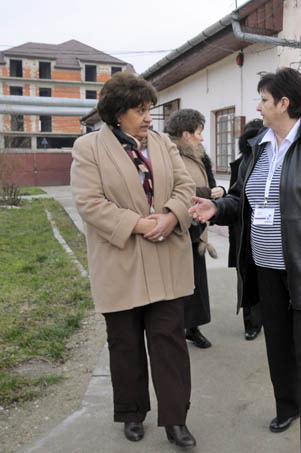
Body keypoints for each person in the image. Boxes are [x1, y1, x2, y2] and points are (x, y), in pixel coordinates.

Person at [189, 68, 301, 453]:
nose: (259, 107)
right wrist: (216, 208)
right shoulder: (257, 147)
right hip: (265, 268)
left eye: (264, 100)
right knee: (278, 348)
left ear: (284, 103)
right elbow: (240, 199)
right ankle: (287, 407)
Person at [70, 72, 196, 446]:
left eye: (149, 109)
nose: (147, 118)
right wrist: (138, 224)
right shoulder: (89, 148)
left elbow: (185, 185)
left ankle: (175, 420)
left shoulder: (162, 144)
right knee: (125, 344)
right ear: (117, 113)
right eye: (139, 110)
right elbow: (89, 202)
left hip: (166, 259)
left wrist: (171, 215)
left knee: (169, 343)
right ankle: (131, 413)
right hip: (119, 262)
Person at [165, 109, 224, 349]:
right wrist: (207, 193)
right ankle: (175, 331)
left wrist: (215, 194)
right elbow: (175, 189)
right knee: (178, 285)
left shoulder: (197, 155)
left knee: (197, 283)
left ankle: (192, 328)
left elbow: (204, 181)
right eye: (198, 132)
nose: (201, 138)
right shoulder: (169, 155)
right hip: (178, 228)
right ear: (186, 134)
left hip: (196, 228)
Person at [232, 119, 265, 340]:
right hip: (246, 230)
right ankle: (251, 322)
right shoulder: (244, 161)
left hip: (271, 234)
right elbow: (235, 195)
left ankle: (262, 319)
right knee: (247, 277)